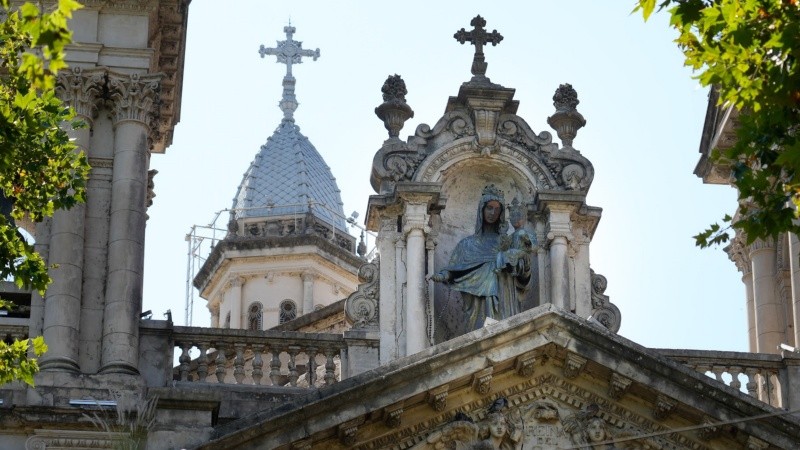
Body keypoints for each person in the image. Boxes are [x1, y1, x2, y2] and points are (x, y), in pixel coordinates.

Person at [431, 185, 532, 330]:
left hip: (505, 298)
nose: (493, 213)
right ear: (481, 210)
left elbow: (522, 273)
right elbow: (457, 269)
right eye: (489, 208)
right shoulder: (467, 244)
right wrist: (443, 275)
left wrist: (519, 261)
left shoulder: (507, 242)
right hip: (477, 306)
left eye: (497, 209)